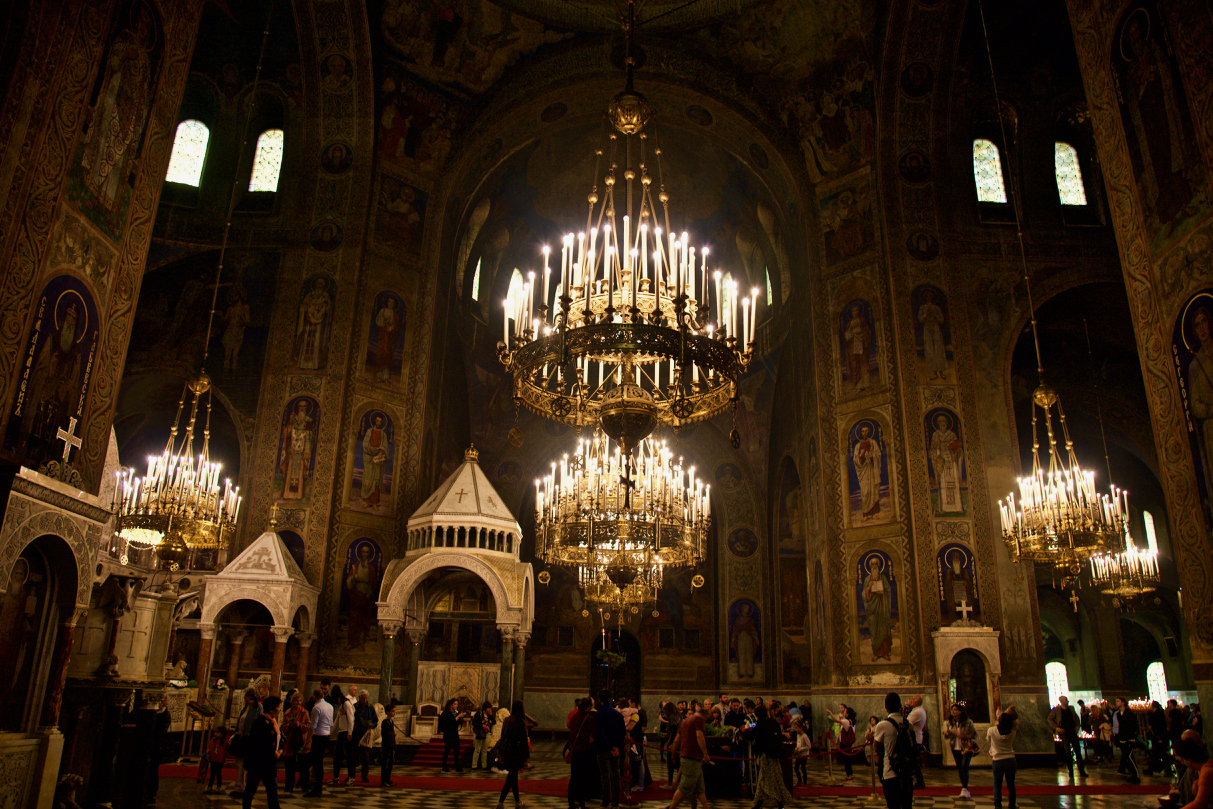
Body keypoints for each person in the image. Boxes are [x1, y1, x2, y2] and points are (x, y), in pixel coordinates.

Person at [874, 692, 915, 809]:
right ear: (900, 706)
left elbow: (877, 748)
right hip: (906, 771)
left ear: (886, 706)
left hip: (890, 771)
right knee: (907, 806)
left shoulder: (882, 725)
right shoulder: (908, 724)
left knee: (893, 806)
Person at [242, 695, 282, 809]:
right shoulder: (260, 723)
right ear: (271, 709)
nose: (280, 710)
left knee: (271, 789)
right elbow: (260, 743)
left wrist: (279, 749)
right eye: (278, 707)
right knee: (252, 788)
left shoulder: (271, 722)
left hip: (267, 762)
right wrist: (273, 752)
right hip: (259, 762)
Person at [668, 703, 711, 809]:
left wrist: (673, 754)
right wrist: (705, 754)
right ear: (705, 716)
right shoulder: (699, 719)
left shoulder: (685, 721)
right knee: (684, 787)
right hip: (692, 757)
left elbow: (676, 740)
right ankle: (672, 807)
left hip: (686, 756)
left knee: (700, 788)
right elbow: (699, 736)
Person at [750, 703, 792, 809]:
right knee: (772, 778)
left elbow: (751, 735)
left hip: (766, 755)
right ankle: (760, 803)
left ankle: (778, 802)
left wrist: (745, 729)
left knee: (766, 778)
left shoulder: (760, 724)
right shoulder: (773, 722)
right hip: (775, 754)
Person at [496, 701, 531, 809]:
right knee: (511, 778)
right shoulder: (521, 722)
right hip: (516, 752)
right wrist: (527, 756)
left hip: (507, 752)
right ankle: (500, 802)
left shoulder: (507, 720)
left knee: (513, 777)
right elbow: (524, 740)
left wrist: (501, 754)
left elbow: (502, 737)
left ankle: (517, 801)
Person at [595, 690, 626, 809]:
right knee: (616, 774)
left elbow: (600, 732)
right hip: (615, 749)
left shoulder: (599, 714)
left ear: (600, 699)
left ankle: (606, 801)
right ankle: (615, 801)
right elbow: (622, 732)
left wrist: (609, 746)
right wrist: (616, 746)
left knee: (605, 776)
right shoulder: (617, 714)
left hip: (603, 748)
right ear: (610, 699)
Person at [567, 698, 598, 809]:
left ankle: (571, 801)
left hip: (574, 750)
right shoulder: (588, 718)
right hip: (584, 751)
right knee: (583, 777)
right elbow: (594, 731)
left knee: (574, 777)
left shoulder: (574, 717)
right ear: (588, 707)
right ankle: (582, 803)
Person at [231, 689, 262, 797]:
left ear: (251, 697)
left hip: (251, 739)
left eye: (246, 696)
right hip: (242, 739)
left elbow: (258, 723)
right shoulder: (245, 708)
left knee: (249, 764)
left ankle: (249, 787)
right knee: (240, 764)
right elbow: (240, 721)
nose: (244, 698)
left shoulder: (258, 708)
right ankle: (239, 787)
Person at [1048, 695, 1087, 779]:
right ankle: (1070, 771)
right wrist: (1056, 727)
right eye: (1066, 700)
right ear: (1062, 701)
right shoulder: (1057, 710)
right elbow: (1050, 719)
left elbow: (1076, 718)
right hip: (1064, 732)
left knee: (1077, 751)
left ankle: (1082, 770)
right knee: (1067, 752)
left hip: (1072, 731)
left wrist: (1077, 726)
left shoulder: (1071, 708)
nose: (1067, 701)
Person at [305, 686, 334, 797]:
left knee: (316, 764)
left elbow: (313, 726)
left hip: (318, 736)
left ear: (314, 697)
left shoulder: (316, 708)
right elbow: (330, 723)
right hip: (326, 735)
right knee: (319, 763)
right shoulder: (330, 706)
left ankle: (317, 788)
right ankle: (318, 787)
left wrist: (308, 740)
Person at [282, 691, 312, 794]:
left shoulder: (304, 712)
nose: (298, 703)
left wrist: (300, 725)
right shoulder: (287, 713)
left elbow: (308, 726)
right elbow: (283, 727)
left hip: (301, 741)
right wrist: (290, 725)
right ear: (292, 701)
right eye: (296, 700)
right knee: (290, 765)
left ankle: (304, 785)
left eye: (299, 701)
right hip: (291, 741)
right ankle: (289, 786)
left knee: (303, 766)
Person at [987, 706, 1018, 809]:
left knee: (997, 785)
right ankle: (1012, 805)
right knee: (1011, 785)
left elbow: (988, 740)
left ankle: (998, 805)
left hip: (998, 760)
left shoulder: (991, 730)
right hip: (1010, 759)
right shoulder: (1013, 732)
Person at [944, 702, 977, 798]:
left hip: (966, 747)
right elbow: (947, 735)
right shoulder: (950, 722)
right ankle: (964, 786)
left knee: (964, 766)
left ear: (960, 711)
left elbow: (974, 735)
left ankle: (965, 788)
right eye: (952, 710)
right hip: (955, 747)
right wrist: (947, 734)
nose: (953, 712)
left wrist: (964, 736)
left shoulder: (968, 722)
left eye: (955, 710)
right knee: (960, 767)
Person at [1172, 736, 1213, 809]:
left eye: (1178, 756)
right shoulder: (1201, 769)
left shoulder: (1206, 772)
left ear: (1189, 760)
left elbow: (1199, 804)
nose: (1177, 759)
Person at [350, 689, 378, 782]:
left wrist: (373, 725)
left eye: (366, 698)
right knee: (353, 755)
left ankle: (364, 776)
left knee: (365, 757)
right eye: (363, 698)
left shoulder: (370, 708)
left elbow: (375, 720)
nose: (365, 700)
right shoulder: (354, 707)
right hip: (356, 733)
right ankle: (351, 775)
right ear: (359, 698)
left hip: (366, 734)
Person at [330, 684, 355, 785]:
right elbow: (337, 720)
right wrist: (329, 733)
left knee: (349, 756)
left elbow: (351, 719)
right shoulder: (341, 706)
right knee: (337, 756)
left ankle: (351, 777)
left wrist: (350, 733)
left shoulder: (347, 704)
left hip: (347, 733)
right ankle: (335, 776)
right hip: (341, 733)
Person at [1113, 696, 1142, 783]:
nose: (1116, 703)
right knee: (1128, 756)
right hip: (1122, 738)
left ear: (1123, 703)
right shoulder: (1118, 714)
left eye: (1118, 701)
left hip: (1129, 738)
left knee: (1129, 756)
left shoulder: (1129, 714)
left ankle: (1135, 775)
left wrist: (1130, 737)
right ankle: (1132, 774)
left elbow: (1133, 726)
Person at [1147, 700, 1175, 777]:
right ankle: (1159, 768)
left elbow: (1158, 724)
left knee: (1160, 752)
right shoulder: (1159, 712)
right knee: (1160, 752)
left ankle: (1159, 768)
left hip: (1159, 735)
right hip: (1160, 735)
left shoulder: (1157, 713)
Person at [906, 696, 927, 790]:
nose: (911, 700)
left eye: (913, 699)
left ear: (917, 702)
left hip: (915, 739)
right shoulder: (916, 710)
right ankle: (919, 781)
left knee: (914, 761)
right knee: (914, 761)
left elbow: (907, 722)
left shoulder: (917, 711)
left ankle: (920, 781)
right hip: (914, 738)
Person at [439, 697, 466, 772]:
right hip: (448, 735)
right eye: (455, 704)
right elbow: (451, 721)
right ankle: (444, 766)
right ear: (451, 705)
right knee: (447, 751)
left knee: (456, 752)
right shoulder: (447, 713)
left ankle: (457, 766)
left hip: (455, 735)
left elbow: (458, 722)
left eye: (457, 704)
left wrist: (461, 718)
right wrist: (458, 716)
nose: (456, 706)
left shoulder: (456, 713)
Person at [474, 701, 496, 770]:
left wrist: (491, 715)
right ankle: (474, 765)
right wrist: (482, 726)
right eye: (488, 708)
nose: (489, 709)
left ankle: (484, 765)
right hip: (480, 732)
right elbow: (474, 723)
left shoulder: (489, 715)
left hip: (487, 733)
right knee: (477, 750)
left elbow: (494, 722)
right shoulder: (479, 714)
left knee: (484, 750)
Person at [380, 703, 397, 788]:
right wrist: (389, 744)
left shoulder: (391, 721)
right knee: (385, 764)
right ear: (388, 712)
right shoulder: (385, 722)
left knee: (390, 764)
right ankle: (383, 781)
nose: (394, 713)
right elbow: (386, 735)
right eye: (392, 711)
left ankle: (388, 779)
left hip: (391, 745)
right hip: (387, 746)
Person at [207, 728, 229, 793]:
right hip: (213, 759)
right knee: (212, 774)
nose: (215, 734)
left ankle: (218, 787)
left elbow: (227, 749)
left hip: (220, 760)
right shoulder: (212, 741)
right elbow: (211, 749)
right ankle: (209, 786)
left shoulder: (224, 742)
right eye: (215, 732)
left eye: (217, 732)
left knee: (218, 773)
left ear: (222, 734)